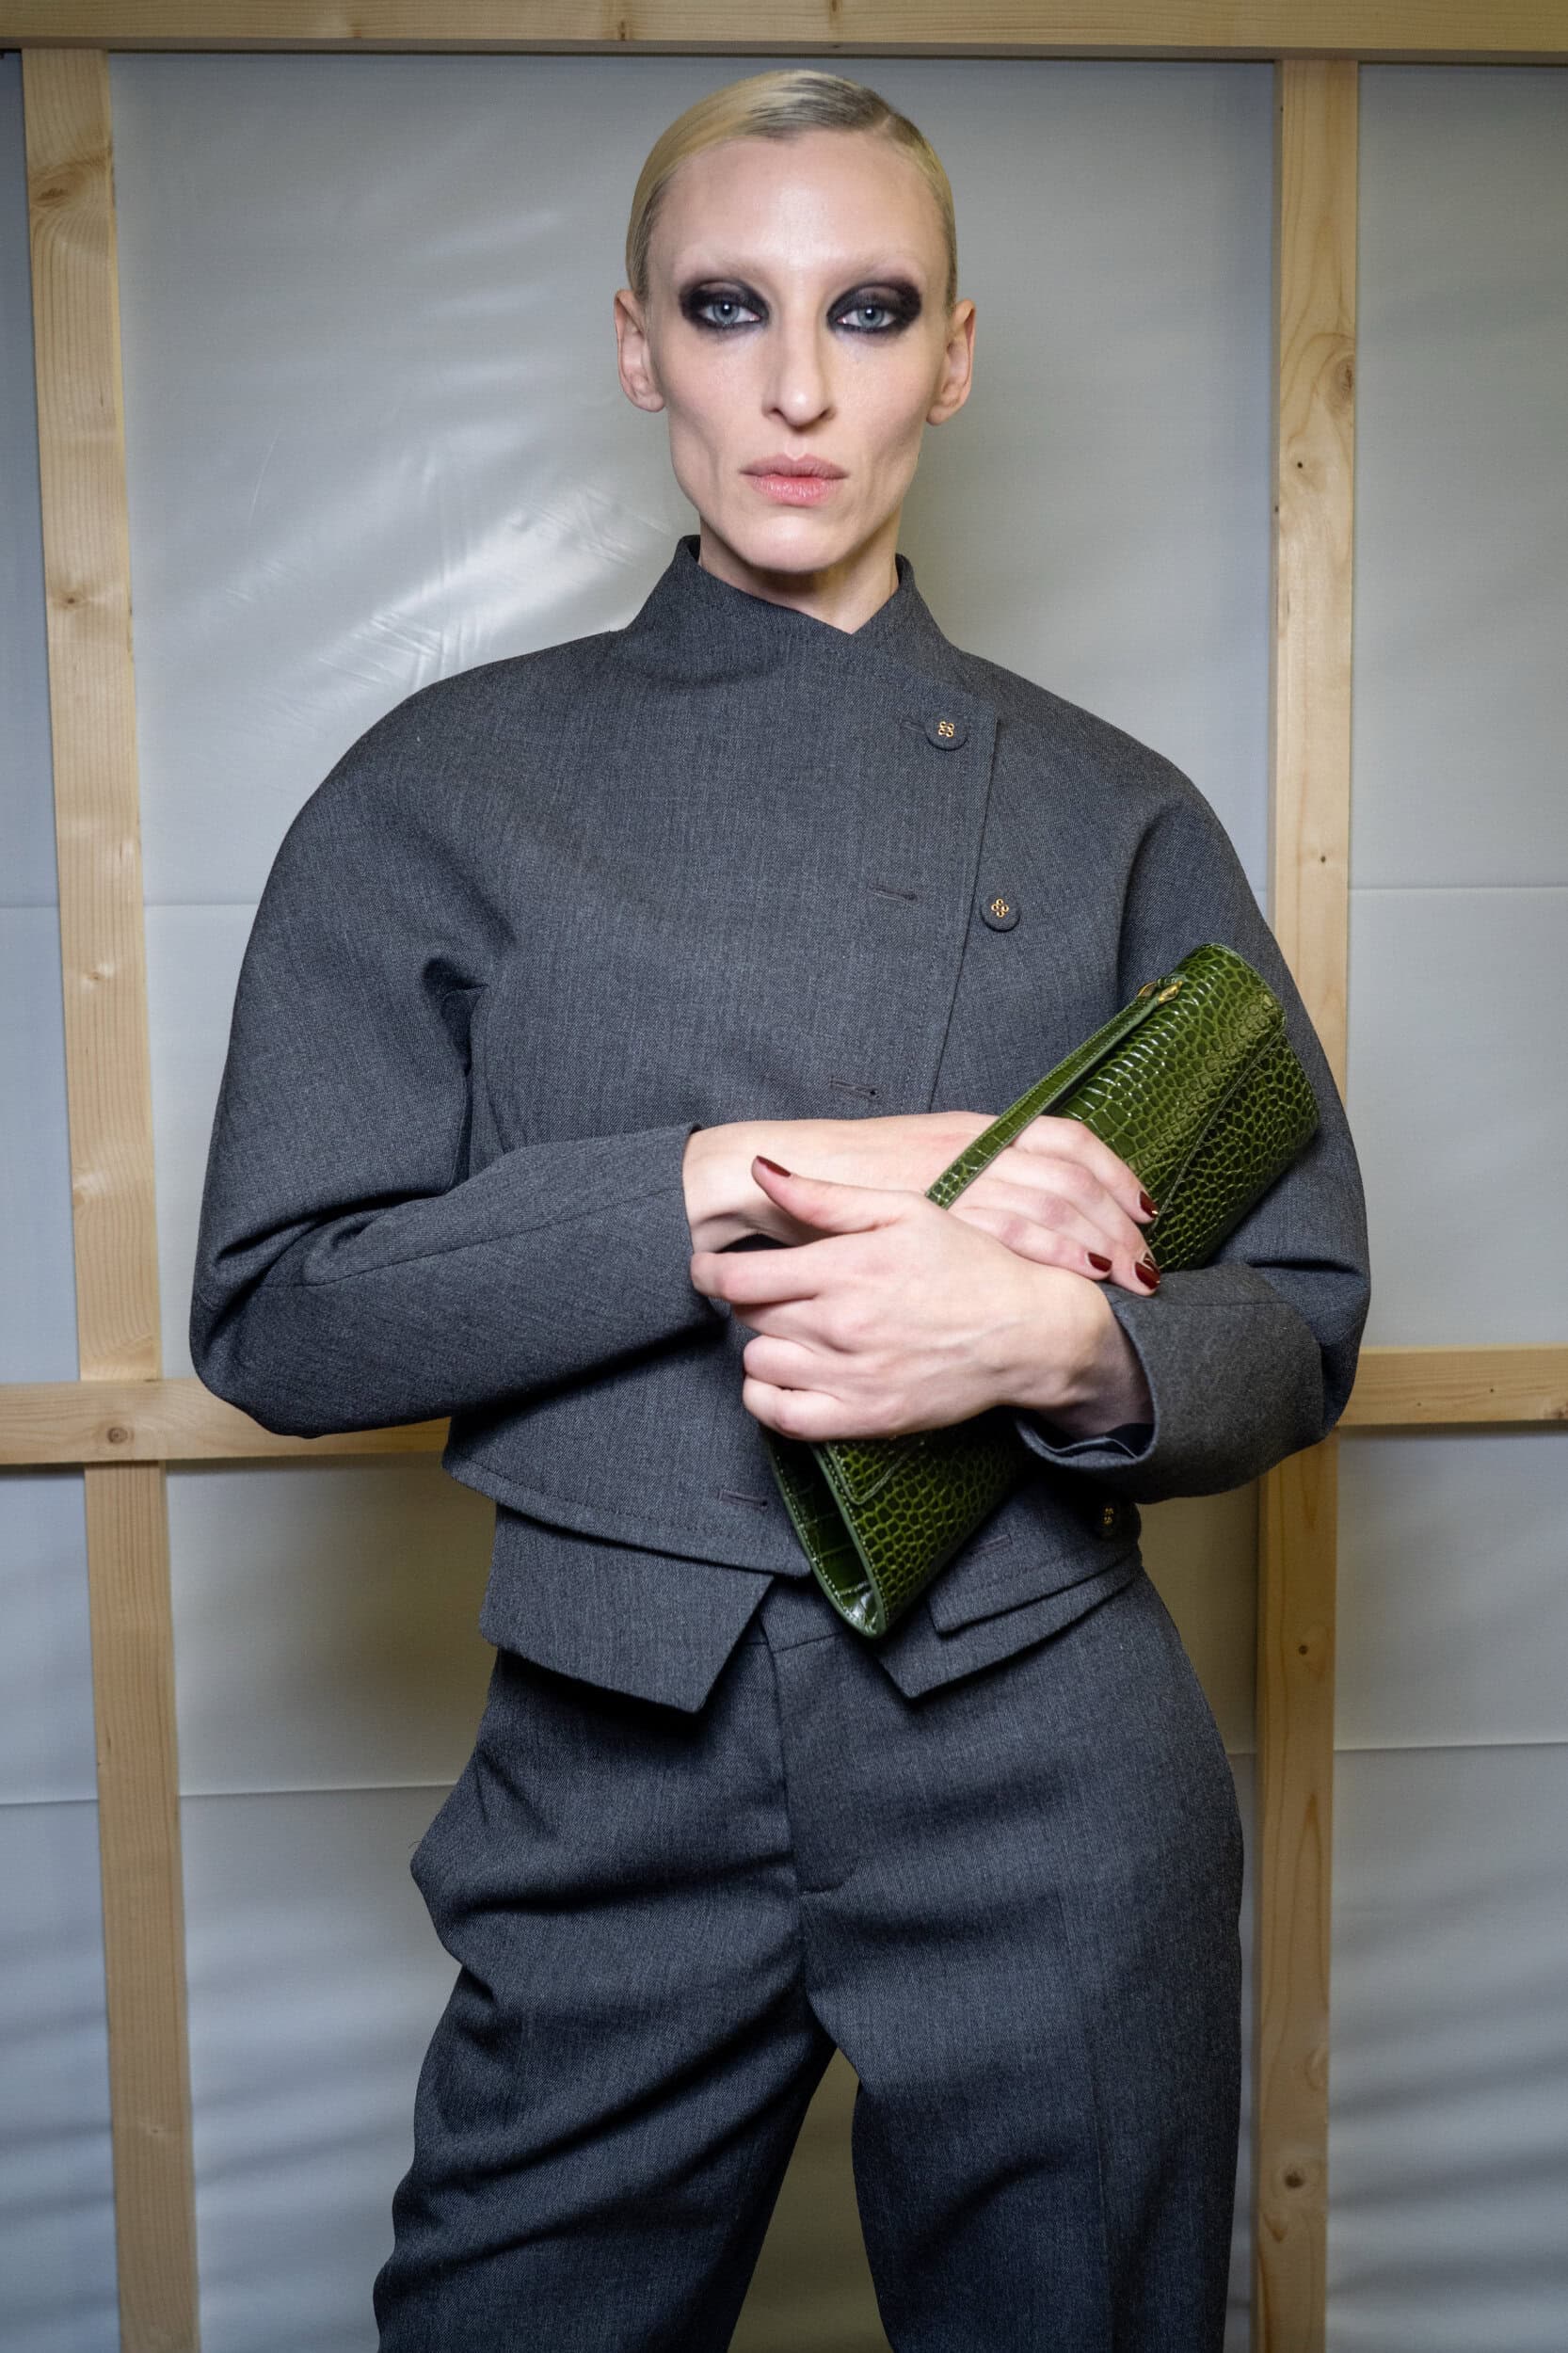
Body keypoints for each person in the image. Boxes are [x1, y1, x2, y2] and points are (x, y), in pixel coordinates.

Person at [188, 67, 1370, 2352]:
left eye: (870, 308)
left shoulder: (1116, 807)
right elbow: (282, 1313)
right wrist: (746, 1174)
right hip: (604, 1747)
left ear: (956, 356)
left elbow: (1299, 1311)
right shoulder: (441, 785)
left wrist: (1061, 1341)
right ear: (636, 343)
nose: (799, 387)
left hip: (1041, 1743)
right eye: (729, 307)